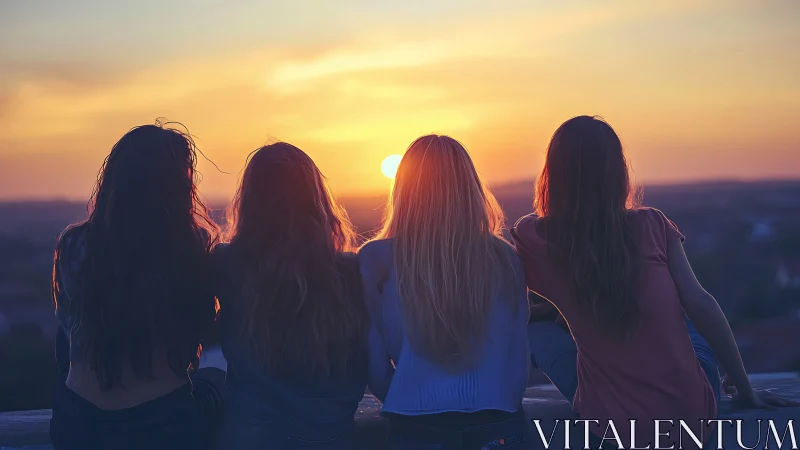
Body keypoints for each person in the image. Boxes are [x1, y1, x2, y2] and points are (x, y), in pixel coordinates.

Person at [511, 115, 798, 449]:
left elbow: (513, 308)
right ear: (617, 173)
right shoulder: (652, 225)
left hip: (611, 419)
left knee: (535, 328)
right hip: (693, 412)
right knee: (684, 312)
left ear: (552, 174)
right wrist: (745, 390)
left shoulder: (534, 236)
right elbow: (702, 303)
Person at [50, 124, 224, 450]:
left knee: (69, 334)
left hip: (76, 420)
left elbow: (68, 323)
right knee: (219, 378)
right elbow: (200, 330)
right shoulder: (192, 245)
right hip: (162, 421)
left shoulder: (74, 243)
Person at [359, 135, 531, 450]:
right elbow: (517, 359)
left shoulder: (376, 259)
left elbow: (376, 367)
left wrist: (412, 397)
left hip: (416, 425)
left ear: (404, 190)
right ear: (469, 188)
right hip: (499, 423)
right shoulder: (504, 256)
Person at [213, 142, 368, 449]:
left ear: (250, 201)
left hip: (250, 435)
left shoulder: (226, 262)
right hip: (330, 435)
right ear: (316, 198)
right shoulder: (353, 271)